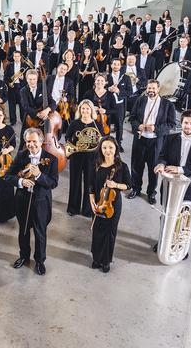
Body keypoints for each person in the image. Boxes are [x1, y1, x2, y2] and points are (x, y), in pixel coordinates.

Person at [4, 128, 59, 275]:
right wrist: (21, 181)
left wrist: (39, 175)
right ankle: (24, 256)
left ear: (41, 142)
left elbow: (53, 183)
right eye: (28, 141)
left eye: (34, 141)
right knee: (23, 230)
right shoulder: (21, 155)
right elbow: (8, 176)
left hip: (41, 202)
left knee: (40, 232)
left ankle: (40, 261)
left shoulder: (52, 159)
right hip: (22, 199)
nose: (31, 144)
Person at [155, 109, 191, 217]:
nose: (188, 126)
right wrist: (161, 164)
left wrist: (179, 169)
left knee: (184, 217)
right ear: (181, 123)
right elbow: (162, 156)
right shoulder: (170, 138)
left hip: (190, 185)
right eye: (186, 122)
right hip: (170, 183)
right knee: (167, 215)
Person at [128, 80, 176, 204]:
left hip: (156, 142)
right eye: (149, 88)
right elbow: (132, 118)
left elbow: (171, 124)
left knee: (153, 169)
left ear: (158, 89)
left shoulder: (167, 105)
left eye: (153, 88)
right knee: (136, 166)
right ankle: (135, 189)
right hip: (140, 140)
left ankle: (151, 193)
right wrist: (138, 126)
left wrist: (156, 129)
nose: (151, 91)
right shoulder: (140, 100)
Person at [89, 136, 131, 273]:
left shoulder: (122, 167)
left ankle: (106, 261)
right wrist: (91, 200)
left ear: (116, 149)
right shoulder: (96, 165)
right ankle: (96, 259)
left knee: (110, 233)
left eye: (111, 148)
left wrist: (115, 185)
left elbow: (128, 186)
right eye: (104, 148)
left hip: (113, 205)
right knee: (97, 232)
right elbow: (90, 185)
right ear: (100, 149)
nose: (108, 150)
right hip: (98, 203)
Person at [65, 100, 104, 217]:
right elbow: (67, 137)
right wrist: (74, 146)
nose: (85, 111)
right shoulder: (74, 123)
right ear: (80, 110)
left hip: (91, 158)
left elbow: (101, 140)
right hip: (76, 156)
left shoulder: (97, 124)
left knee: (89, 183)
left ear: (91, 110)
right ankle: (73, 208)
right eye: (83, 108)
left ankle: (88, 209)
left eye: (87, 109)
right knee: (74, 181)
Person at [105, 58, 132, 151]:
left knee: (119, 125)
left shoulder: (126, 77)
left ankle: (118, 143)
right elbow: (101, 88)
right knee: (107, 124)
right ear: (111, 65)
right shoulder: (107, 77)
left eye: (118, 64)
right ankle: (107, 142)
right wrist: (108, 89)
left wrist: (119, 91)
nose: (116, 66)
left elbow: (130, 92)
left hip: (120, 106)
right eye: (114, 64)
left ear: (120, 66)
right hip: (108, 105)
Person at [4, 50, 27, 124]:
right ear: (13, 57)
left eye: (18, 56)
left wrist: (23, 78)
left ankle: (23, 120)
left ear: (20, 57)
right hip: (12, 87)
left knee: (22, 105)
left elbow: (29, 78)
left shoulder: (25, 66)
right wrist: (9, 83)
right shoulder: (9, 65)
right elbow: (5, 77)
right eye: (15, 56)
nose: (16, 58)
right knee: (11, 105)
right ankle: (13, 120)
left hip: (21, 87)